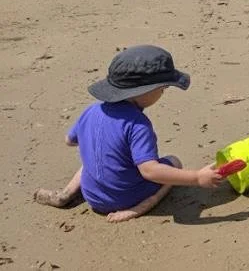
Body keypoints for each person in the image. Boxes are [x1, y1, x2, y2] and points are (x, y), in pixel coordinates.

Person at [34, 45, 225, 222]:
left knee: (91, 160)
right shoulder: (138, 124)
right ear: (144, 91)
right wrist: (197, 177)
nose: (163, 93)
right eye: (162, 88)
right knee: (174, 161)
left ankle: (65, 194)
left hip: (93, 197)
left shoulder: (91, 110)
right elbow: (150, 171)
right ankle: (141, 207)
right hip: (125, 198)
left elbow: (69, 140)